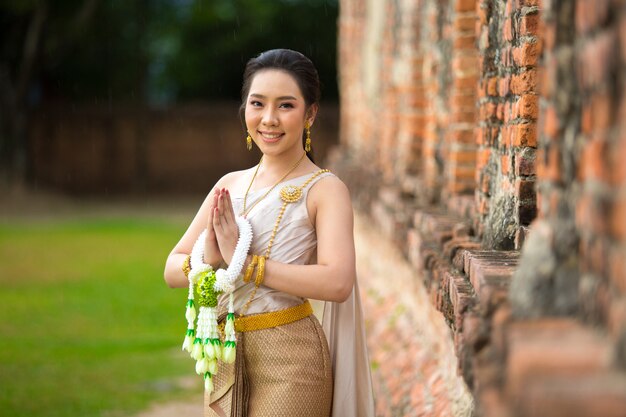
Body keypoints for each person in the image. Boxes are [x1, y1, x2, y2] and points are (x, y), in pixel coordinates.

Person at [164, 49, 374, 417]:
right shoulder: (229, 186)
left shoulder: (324, 189)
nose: (269, 119)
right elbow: (171, 268)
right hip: (225, 355)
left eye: (286, 106)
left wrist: (247, 266)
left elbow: (338, 282)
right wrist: (208, 259)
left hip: (292, 360)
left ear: (310, 113)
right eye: (257, 104)